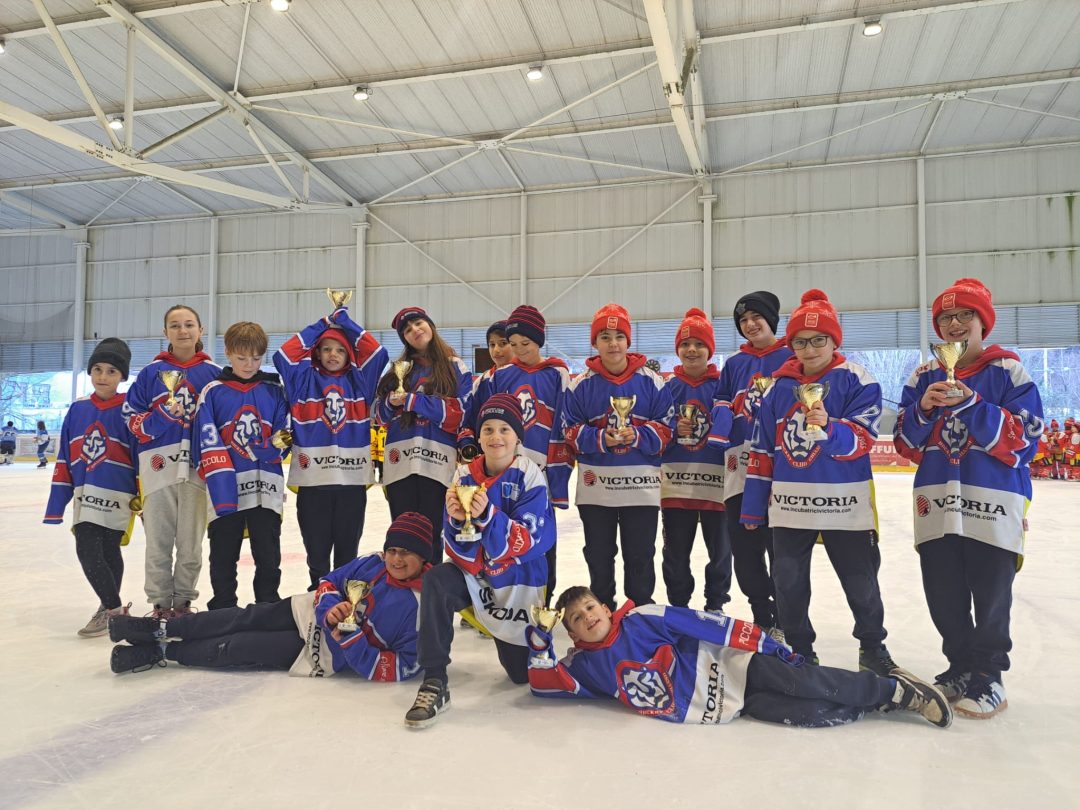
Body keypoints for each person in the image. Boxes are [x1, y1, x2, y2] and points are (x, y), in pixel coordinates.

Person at [894, 278, 1044, 718]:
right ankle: (960, 667)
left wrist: (973, 404)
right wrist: (923, 410)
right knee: (943, 592)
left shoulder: (1008, 371)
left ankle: (989, 675)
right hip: (937, 498)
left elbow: (1025, 443)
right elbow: (905, 444)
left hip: (993, 500)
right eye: (945, 317)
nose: (955, 323)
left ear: (983, 323)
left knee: (992, 592)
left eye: (965, 315)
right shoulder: (923, 376)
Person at [524, 586, 952, 729]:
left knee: (806, 681)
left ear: (605, 607)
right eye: (577, 618)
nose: (588, 618)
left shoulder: (641, 619)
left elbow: (707, 624)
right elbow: (544, 685)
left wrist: (765, 643)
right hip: (728, 705)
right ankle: (871, 703)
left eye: (591, 608)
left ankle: (897, 692)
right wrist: (540, 642)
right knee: (811, 713)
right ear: (571, 633)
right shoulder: (586, 666)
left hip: (733, 664)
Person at [741, 289, 899, 676]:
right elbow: (762, 451)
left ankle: (872, 647)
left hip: (845, 505)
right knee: (788, 583)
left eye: (818, 340)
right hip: (790, 507)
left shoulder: (856, 379)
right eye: (800, 341)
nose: (809, 349)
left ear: (834, 340)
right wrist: (753, 507)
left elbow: (863, 439)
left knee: (861, 582)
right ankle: (800, 650)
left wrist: (830, 428)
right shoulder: (778, 388)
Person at [108, 512, 432, 678]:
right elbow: (329, 581)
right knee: (241, 617)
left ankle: (161, 651)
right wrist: (329, 608)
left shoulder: (422, 608)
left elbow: (399, 667)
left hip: (321, 652)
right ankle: (157, 628)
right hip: (306, 612)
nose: (396, 559)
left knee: (240, 646)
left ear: (424, 557)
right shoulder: (373, 562)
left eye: (406, 553)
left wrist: (352, 640)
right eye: (393, 550)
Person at [404, 394, 554, 728]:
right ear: (479, 435)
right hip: (477, 579)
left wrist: (487, 516)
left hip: (517, 583)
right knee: (437, 580)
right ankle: (434, 679)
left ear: (517, 437)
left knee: (522, 674)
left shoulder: (530, 474)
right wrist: (459, 522)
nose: (495, 437)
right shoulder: (463, 476)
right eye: (488, 429)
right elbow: (454, 545)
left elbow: (528, 542)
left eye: (504, 429)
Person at [562, 303, 676, 610]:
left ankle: (640, 611)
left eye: (619, 337)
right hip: (597, 489)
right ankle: (604, 611)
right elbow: (568, 429)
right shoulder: (580, 385)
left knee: (640, 554)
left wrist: (637, 435)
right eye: (605, 337)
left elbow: (668, 427)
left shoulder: (651, 381)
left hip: (640, 488)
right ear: (595, 343)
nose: (613, 344)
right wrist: (601, 438)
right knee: (599, 554)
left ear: (628, 341)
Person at [274, 305, 388, 589]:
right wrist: (323, 323)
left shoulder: (360, 383)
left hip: (351, 482)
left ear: (349, 354)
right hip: (313, 482)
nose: (333, 355)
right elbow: (283, 355)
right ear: (316, 352)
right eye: (326, 349)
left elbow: (378, 353)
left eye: (340, 350)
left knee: (348, 553)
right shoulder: (303, 381)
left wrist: (346, 323)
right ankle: (320, 594)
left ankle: (343, 599)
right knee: (317, 555)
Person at [466, 305, 572, 603]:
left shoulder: (557, 373)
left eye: (525, 343)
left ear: (539, 341)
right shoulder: (499, 376)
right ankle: (495, 601)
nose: (519, 350)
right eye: (513, 344)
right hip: (503, 471)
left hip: (540, 473)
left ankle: (542, 601)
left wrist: (558, 474)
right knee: (498, 531)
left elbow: (563, 422)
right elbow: (478, 416)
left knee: (541, 537)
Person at [123, 304, 221, 618]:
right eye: (175, 325)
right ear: (165, 332)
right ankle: (160, 604)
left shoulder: (215, 374)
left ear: (201, 330)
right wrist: (162, 417)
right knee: (158, 543)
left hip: (197, 470)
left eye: (189, 324)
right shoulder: (149, 374)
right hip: (157, 468)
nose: (183, 331)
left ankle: (183, 604)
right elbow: (131, 420)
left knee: (191, 545)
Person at [709, 291, 792, 634]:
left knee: (781, 550)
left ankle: (787, 618)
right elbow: (721, 399)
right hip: (739, 470)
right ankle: (762, 614)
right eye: (743, 320)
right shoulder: (734, 364)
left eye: (756, 317)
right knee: (744, 549)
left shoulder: (792, 356)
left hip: (780, 469)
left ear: (771, 320)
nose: (750, 324)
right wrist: (721, 422)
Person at [44, 338, 138, 637]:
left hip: (119, 493)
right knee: (87, 548)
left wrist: (143, 494)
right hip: (86, 491)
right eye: (97, 369)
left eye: (111, 371)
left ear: (122, 376)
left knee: (109, 550)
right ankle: (114, 610)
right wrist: (57, 502)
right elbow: (66, 456)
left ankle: (108, 610)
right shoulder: (78, 409)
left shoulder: (130, 409)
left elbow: (139, 454)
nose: (102, 376)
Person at [194, 321, 289, 610]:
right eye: (241, 358)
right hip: (227, 487)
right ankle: (223, 608)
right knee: (223, 553)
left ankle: (267, 606)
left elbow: (285, 431)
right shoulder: (212, 391)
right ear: (227, 353)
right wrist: (218, 477)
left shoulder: (274, 390)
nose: (249, 365)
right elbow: (204, 438)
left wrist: (274, 446)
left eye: (256, 358)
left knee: (268, 554)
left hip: (265, 486)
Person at [374, 306, 472, 564]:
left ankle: (429, 586)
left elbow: (461, 412)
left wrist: (413, 401)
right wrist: (391, 403)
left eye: (418, 323)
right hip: (400, 462)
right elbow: (378, 417)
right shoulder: (398, 371)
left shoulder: (454, 366)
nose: (414, 330)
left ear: (430, 325)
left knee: (431, 533)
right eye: (407, 330)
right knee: (402, 533)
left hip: (437, 459)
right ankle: (403, 586)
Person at [660, 308, 731, 615]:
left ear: (710, 350)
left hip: (718, 485)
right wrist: (670, 430)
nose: (692, 350)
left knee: (721, 552)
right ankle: (679, 606)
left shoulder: (723, 386)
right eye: (685, 344)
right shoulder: (666, 388)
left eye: (699, 344)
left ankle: (716, 604)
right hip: (676, 485)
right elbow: (654, 429)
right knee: (675, 554)